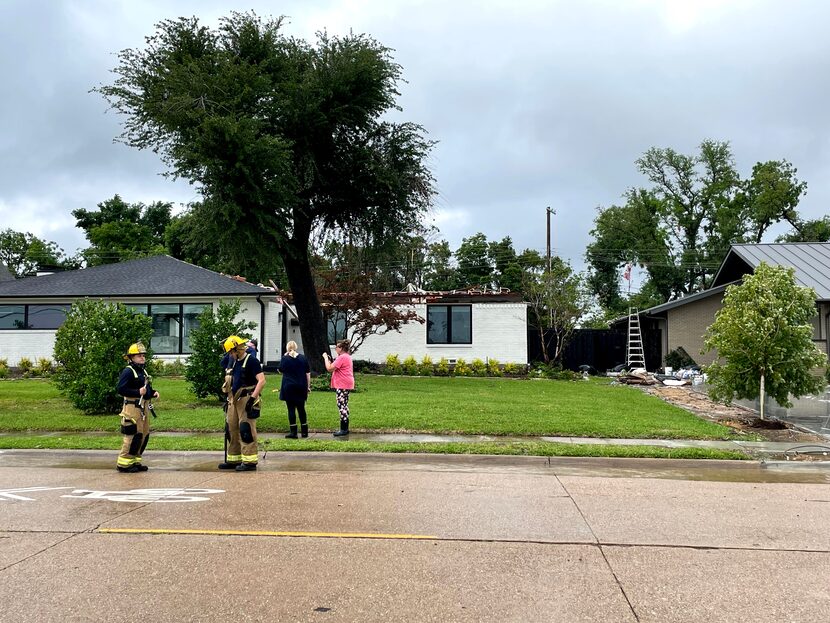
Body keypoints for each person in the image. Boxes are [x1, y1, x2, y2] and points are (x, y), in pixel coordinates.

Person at [219, 335, 266, 471]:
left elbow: (262, 380)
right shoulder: (234, 361)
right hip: (233, 400)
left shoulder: (251, 361)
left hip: (246, 398)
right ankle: (234, 459)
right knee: (232, 429)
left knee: (245, 429)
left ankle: (250, 461)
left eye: (230, 352)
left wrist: (252, 399)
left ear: (237, 349)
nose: (229, 354)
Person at [116, 342, 159, 473]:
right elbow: (121, 389)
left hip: (142, 408)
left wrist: (153, 392)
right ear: (131, 358)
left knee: (143, 435)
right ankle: (124, 464)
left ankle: (135, 461)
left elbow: (146, 389)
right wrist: (137, 392)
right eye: (139, 355)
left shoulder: (142, 371)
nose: (142, 358)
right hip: (132, 408)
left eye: (143, 355)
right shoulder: (128, 371)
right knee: (133, 435)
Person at [278, 340, 311, 439]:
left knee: (291, 409)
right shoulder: (303, 358)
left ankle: (293, 432)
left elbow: (280, 370)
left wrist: (285, 356)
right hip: (301, 386)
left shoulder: (285, 358)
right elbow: (307, 374)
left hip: (289, 386)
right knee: (301, 408)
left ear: (287, 348)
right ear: (296, 347)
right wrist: (308, 386)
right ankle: (304, 431)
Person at [322, 339, 354, 437]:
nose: (335, 348)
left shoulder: (342, 357)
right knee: (344, 404)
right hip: (347, 383)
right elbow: (335, 366)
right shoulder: (347, 357)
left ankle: (343, 429)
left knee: (341, 405)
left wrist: (325, 359)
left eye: (337, 347)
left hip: (342, 384)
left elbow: (329, 368)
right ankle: (345, 427)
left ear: (341, 348)